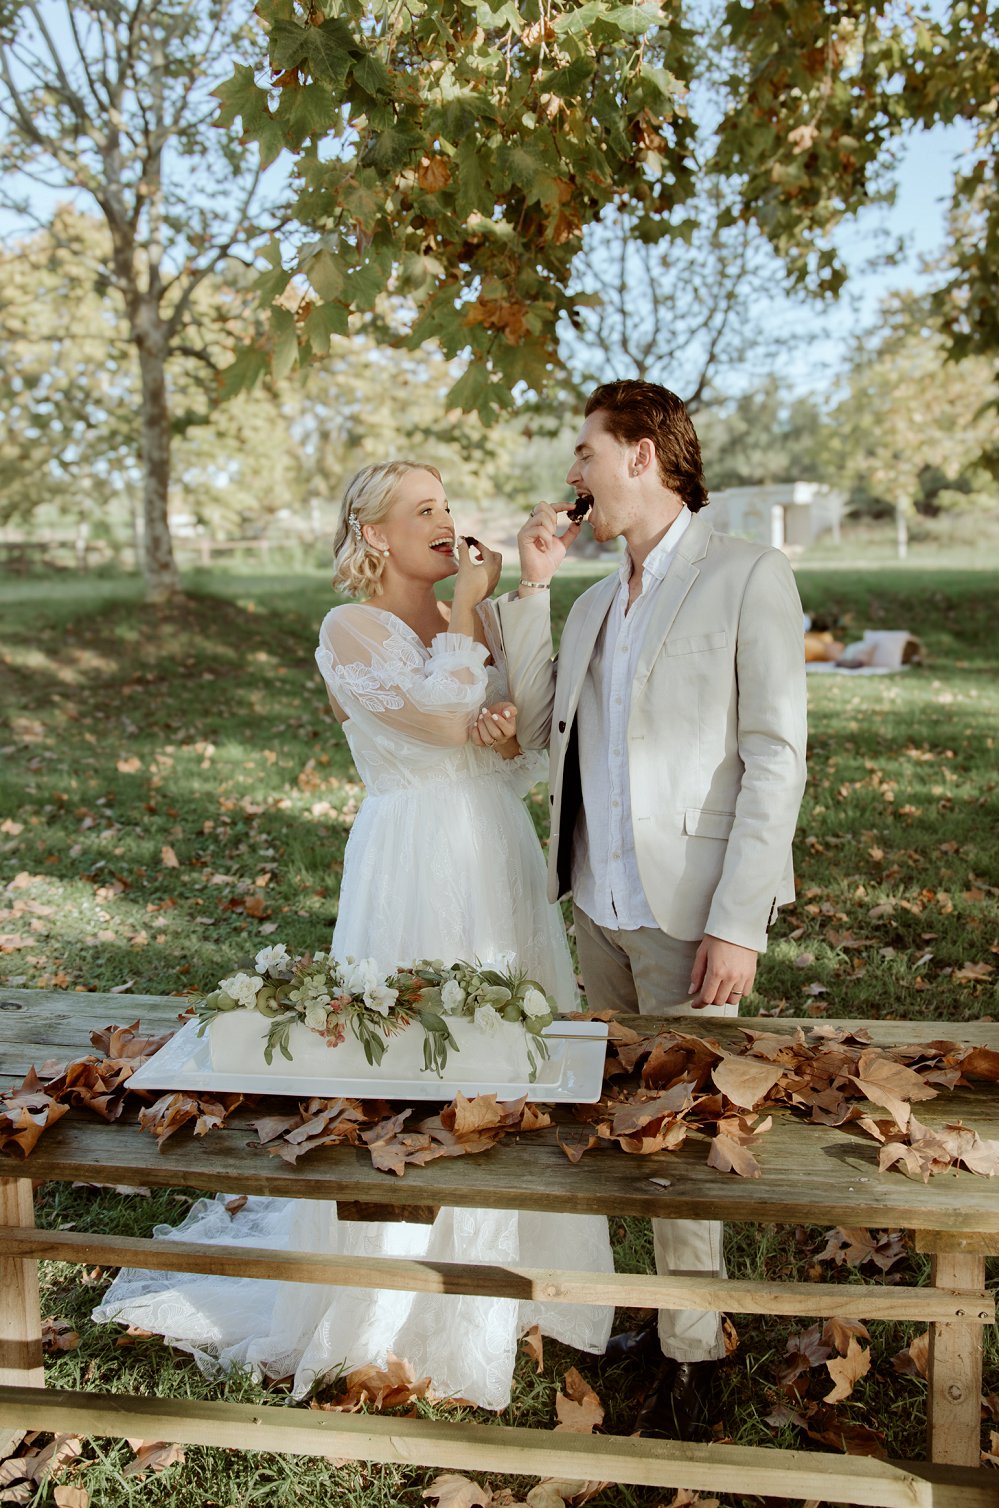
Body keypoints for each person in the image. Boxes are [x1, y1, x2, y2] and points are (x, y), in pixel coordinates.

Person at [95, 460, 614, 1410]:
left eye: (447, 504)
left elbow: (521, 742)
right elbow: (443, 722)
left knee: (507, 1052)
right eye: (423, 509)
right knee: (413, 1061)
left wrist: (505, 676)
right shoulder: (351, 629)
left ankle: (515, 1278)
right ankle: (393, 1299)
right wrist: (471, 629)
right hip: (413, 857)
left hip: (495, 850)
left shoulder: (473, 614)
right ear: (373, 533)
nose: (447, 520)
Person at [490, 381, 807, 1437]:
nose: (571, 472)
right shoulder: (590, 603)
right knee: (628, 1123)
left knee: (688, 1134)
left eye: (585, 451)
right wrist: (533, 587)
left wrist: (740, 919)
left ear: (641, 454)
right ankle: (671, 1321)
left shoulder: (747, 573)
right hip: (599, 903)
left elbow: (774, 757)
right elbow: (539, 728)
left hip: (692, 911)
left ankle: (696, 1359)